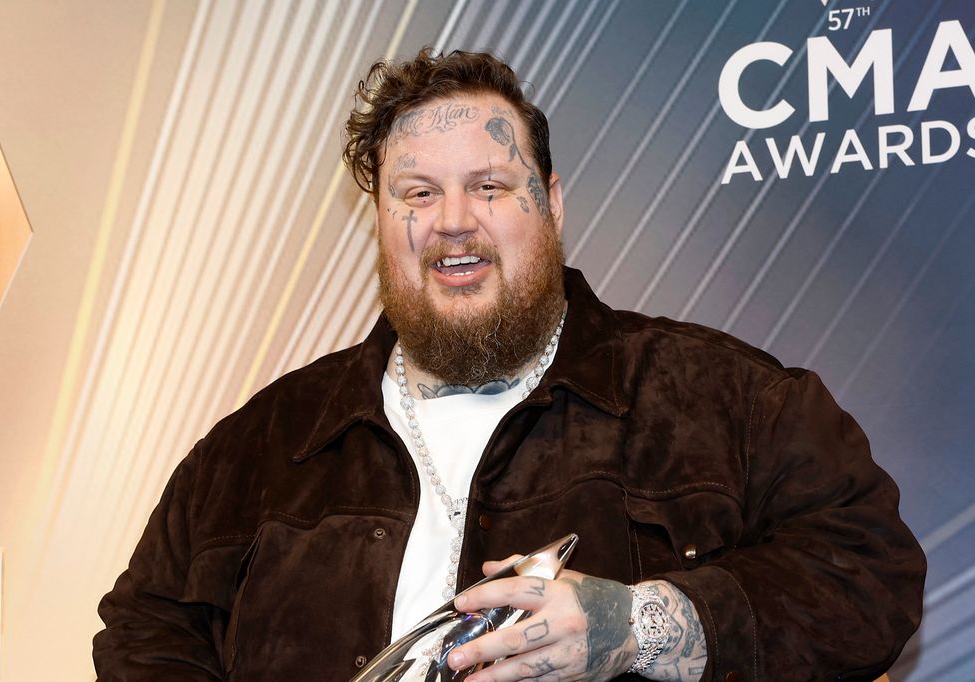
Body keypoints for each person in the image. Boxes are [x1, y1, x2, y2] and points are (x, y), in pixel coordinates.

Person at [93, 48, 926, 682]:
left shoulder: (719, 400)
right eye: (417, 193)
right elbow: (144, 632)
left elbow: (870, 571)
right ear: (381, 220)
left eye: (489, 186)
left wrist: (641, 624)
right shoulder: (257, 449)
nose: (454, 222)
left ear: (552, 203)